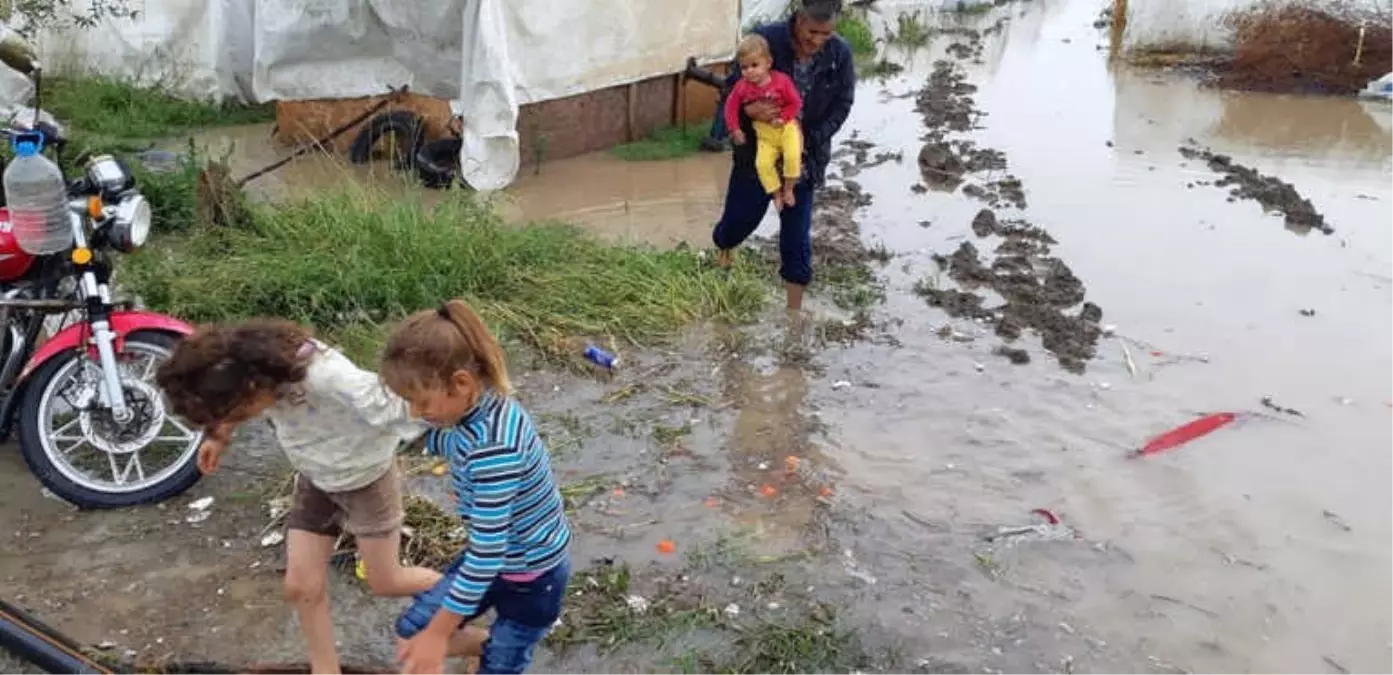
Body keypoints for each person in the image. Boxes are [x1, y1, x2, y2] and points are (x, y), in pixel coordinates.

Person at [155, 319, 441, 675]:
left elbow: (398, 405)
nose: (240, 419)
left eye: (238, 414)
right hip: (316, 480)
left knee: (387, 581)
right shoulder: (246, 365)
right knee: (300, 585)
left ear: (253, 386)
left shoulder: (327, 376)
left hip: (367, 482)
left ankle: (455, 601)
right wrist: (219, 436)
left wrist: (453, 424)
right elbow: (228, 403)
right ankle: (325, 668)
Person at [382, 300, 572, 675]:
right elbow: (451, 442)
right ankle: (486, 643)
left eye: (422, 403)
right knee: (410, 629)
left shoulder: (495, 450)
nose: (417, 414)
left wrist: (439, 634)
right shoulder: (482, 406)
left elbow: (487, 558)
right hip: (492, 561)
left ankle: (497, 650)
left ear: (462, 383)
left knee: (498, 665)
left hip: (533, 580)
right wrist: (397, 443)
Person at [712, 0, 856, 312]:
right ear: (799, 18)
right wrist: (749, 111)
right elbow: (730, 93)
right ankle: (723, 250)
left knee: (796, 238)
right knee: (739, 223)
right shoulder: (765, 41)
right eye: (811, 32)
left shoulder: (839, 54)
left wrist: (812, 138)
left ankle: (794, 314)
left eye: (826, 34)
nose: (817, 41)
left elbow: (843, 103)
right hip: (757, 155)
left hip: (803, 159)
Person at [724, 34, 804, 211]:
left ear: (768, 63)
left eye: (754, 65)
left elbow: (796, 102)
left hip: (785, 127)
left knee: (793, 156)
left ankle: (789, 189)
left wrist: (783, 117)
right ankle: (776, 193)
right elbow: (730, 107)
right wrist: (735, 129)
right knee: (762, 164)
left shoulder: (781, 81)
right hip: (764, 134)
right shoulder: (741, 87)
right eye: (744, 67)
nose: (749, 71)